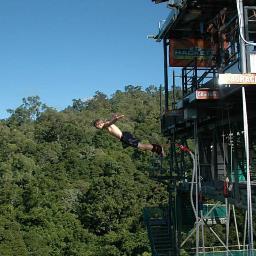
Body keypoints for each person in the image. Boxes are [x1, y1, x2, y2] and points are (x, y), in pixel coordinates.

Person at [93, 114, 164, 157]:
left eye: (97, 126)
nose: (98, 128)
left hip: (124, 137)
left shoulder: (106, 125)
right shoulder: (106, 124)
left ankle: (158, 148)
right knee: (140, 147)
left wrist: (116, 119)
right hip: (124, 137)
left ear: (100, 123)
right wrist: (114, 117)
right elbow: (110, 122)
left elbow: (111, 123)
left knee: (141, 146)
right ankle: (157, 149)